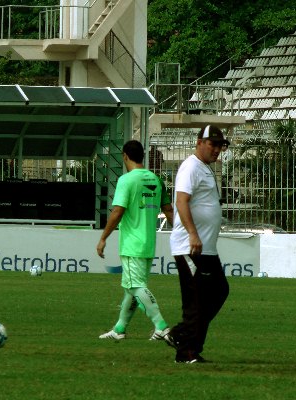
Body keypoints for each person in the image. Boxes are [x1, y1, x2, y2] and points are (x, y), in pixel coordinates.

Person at [96, 140, 174, 341]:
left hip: (132, 244)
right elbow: (168, 210)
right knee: (132, 289)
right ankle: (119, 329)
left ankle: (162, 327)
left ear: (125, 156)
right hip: (148, 244)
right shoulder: (156, 180)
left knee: (136, 287)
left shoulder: (126, 180)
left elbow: (117, 211)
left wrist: (103, 238)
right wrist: (182, 233)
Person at [165, 125, 230, 363]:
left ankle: (182, 337)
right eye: (212, 144)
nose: (217, 150)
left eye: (220, 145)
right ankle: (186, 350)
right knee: (195, 300)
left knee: (219, 291)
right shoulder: (190, 167)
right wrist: (193, 233)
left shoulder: (204, 168)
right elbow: (181, 201)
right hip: (190, 246)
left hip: (205, 248)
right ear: (199, 142)